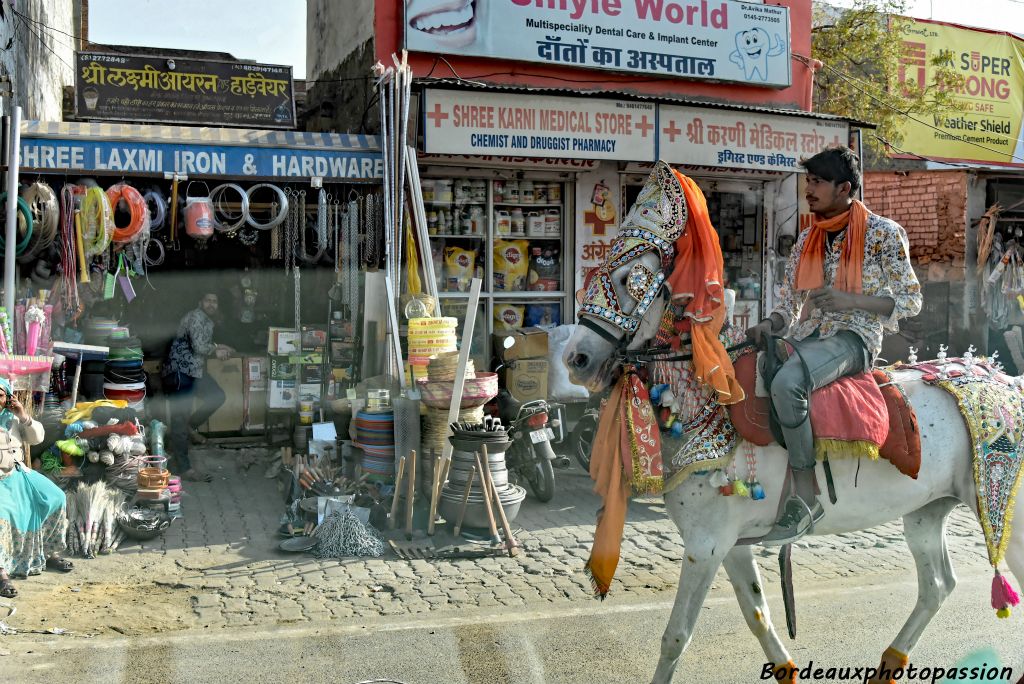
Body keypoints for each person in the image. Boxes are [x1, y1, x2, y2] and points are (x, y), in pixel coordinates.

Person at [747, 146, 922, 545]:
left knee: (787, 384)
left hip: (854, 339)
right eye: (808, 181)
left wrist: (851, 301)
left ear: (845, 187)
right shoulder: (809, 236)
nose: (809, 189)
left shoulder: (883, 234)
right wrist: (768, 324)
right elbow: (788, 304)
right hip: (808, 336)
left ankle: (807, 496)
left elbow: (911, 301)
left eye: (818, 182)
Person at [0, 377, 73, 598]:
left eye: (0, 394)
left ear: (8, 398)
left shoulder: (13, 419)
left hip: (21, 474)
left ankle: (49, 553)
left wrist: (23, 415)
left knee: (56, 497)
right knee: (2, 515)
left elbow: (36, 438)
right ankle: (1, 573)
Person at [162, 293, 231, 483]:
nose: (211, 304)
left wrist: (217, 346)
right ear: (200, 302)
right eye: (208, 300)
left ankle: (190, 427)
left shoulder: (207, 320)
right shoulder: (195, 316)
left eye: (215, 301)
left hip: (194, 371)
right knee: (179, 418)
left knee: (216, 396)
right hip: (180, 370)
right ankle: (184, 468)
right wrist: (217, 348)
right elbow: (199, 346)